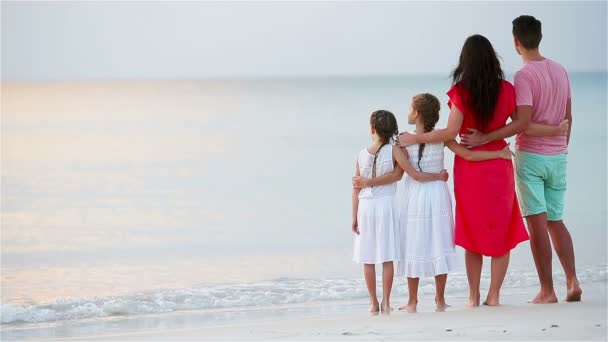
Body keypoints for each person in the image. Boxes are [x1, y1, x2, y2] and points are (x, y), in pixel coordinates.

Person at [398, 35, 530, 306]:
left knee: (472, 232)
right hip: (498, 163)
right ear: (492, 58)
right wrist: (490, 136)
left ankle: (473, 296)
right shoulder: (507, 89)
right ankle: (493, 296)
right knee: (501, 232)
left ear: (465, 61)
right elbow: (518, 125)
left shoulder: (461, 92)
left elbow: (450, 133)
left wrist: (414, 138)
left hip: (471, 169)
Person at [460, 15, 582, 303]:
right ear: (539, 37)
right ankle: (573, 281)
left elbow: (522, 123)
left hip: (532, 156)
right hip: (558, 156)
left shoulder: (524, 76)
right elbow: (569, 117)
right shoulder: (561, 70)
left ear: (516, 42)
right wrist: (562, 146)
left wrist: (485, 139)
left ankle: (547, 291)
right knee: (557, 221)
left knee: (537, 223)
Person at [354, 94, 513, 312]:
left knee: (413, 243)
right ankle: (439, 300)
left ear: (417, 113)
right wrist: (498, 153)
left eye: (411, 108)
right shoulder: (442, 138)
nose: (408, 112)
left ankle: (412, 301)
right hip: (437, 193)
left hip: (416, 195)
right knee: (439, 241)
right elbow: (468, 155)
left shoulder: (402, 139)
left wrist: (366, 184)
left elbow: (398, 173)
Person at [352, 110, 447, 314]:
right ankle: (386, 302)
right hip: (385, 206)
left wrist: (354, 215)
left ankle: (373, 303)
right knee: (387, 257)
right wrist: (438, 176)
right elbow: (405, 175)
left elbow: (356, 187)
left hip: (365, 207)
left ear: (371, 129)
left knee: (367, 258)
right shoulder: (395, 151)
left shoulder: (360, 154)